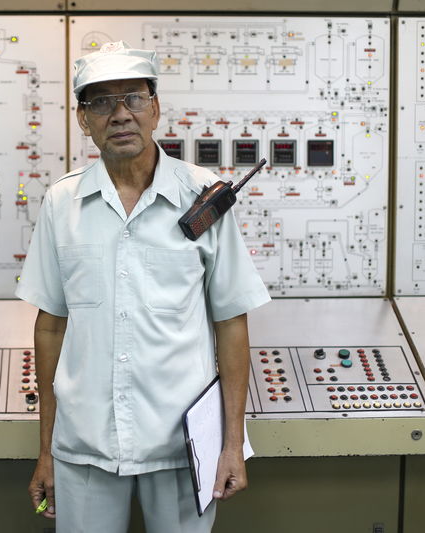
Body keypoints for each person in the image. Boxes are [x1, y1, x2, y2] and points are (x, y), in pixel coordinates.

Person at [15, 41, 270, 533]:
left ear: (155, 108)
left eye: (133, 98)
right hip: (84, 445)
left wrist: (233, 444)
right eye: (101, 102)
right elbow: (50, 329)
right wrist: (46, 449)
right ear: (83, 119)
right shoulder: (61, 203)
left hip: (181, 445)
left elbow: (231, 322)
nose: (120, 114)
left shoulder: (202, 198)